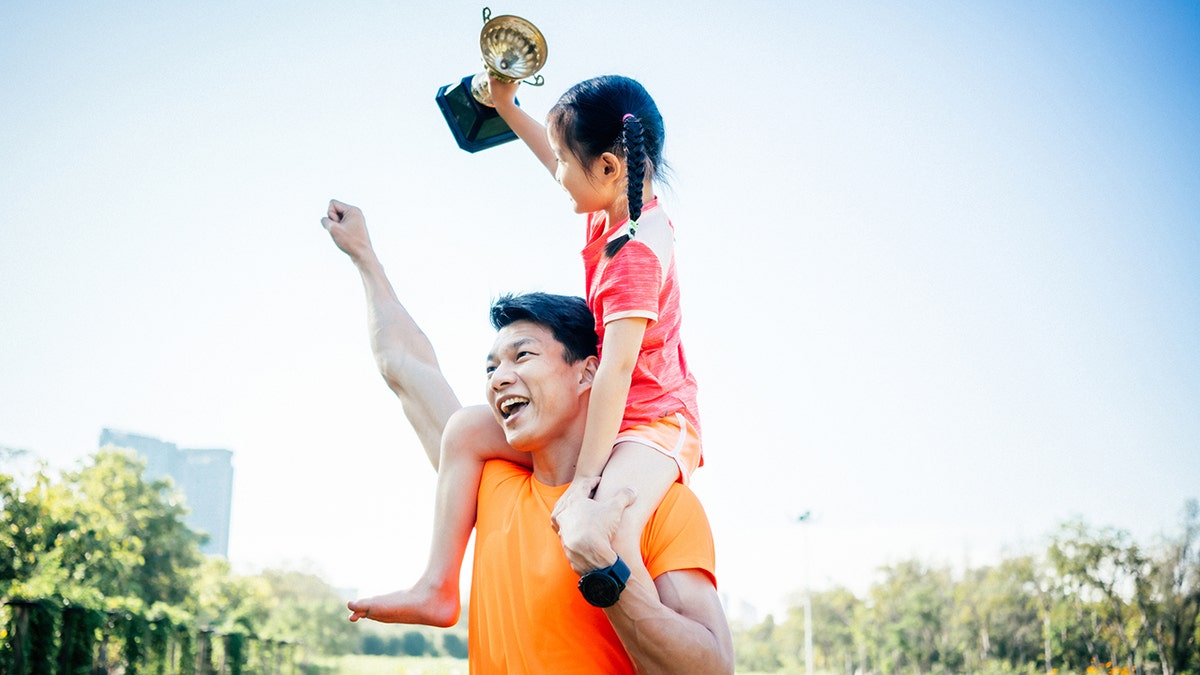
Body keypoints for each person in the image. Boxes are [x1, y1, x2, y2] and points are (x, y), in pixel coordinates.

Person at [321, 201, 733, 674]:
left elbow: (712, 668)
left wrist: (604, 567)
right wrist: (364, 257)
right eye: (491, 367)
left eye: (523, 356)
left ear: (587, 374)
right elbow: (406, 368)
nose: (499, 377)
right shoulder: (487, 483)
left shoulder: (656, 507)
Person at [354, 74, 703, 627]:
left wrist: (587, 481)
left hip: (653, 423)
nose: (557, 172)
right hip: (608, 408)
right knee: (466, 430)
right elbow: (553, 158)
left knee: (605, 526)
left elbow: (613, 375)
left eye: (567, 160)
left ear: (609, 167)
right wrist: (508, 106)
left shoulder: (635, 254)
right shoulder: (617, 204)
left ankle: (658, 644)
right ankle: (438, 588)